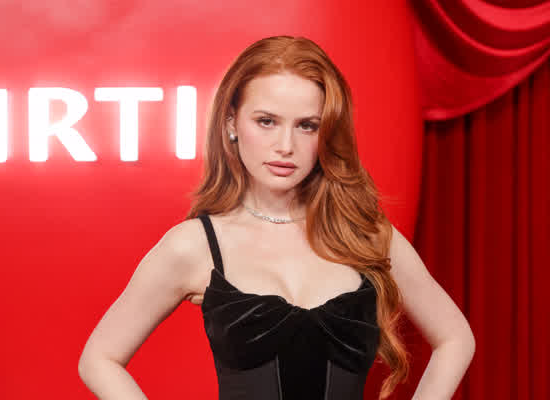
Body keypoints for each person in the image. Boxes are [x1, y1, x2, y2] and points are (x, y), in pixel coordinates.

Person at [78, 35, 475, 400]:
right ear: (232, 123)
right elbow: (100, 358)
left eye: (307, 126)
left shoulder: (366, 235)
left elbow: (455, 338)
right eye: (266, 121)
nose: (285, 145)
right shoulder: (194, 245)